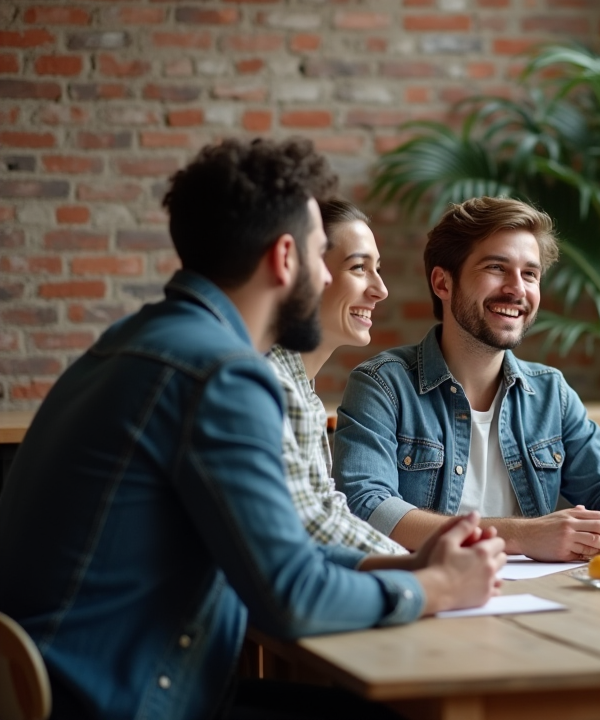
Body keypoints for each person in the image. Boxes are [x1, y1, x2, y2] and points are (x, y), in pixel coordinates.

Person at [0, 138, 506, 720]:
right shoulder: (222, 375)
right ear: (284, 259)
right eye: (323, 257)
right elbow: (290, 597)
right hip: (124, 701)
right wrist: (440, 590)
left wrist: (409, 567)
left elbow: (280, 556)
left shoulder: (132, 343)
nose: (324, 276)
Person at [333, 196, 600, 561]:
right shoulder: (383, 385)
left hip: (537, 601)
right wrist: (523, 536)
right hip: (433, 598)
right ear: (443, 283)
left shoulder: (551, 393)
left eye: (530, 274)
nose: (518, 289)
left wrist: (595, 540)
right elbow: (366, 508)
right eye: (496, 268)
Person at [268, 197, 407, 555]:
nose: (380, 289)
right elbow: (311, 526)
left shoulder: (303, 390)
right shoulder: (273, 383)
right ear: (308, 273)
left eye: (378, 269)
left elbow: (328, 510)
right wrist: (421, 569)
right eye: (359, 268)